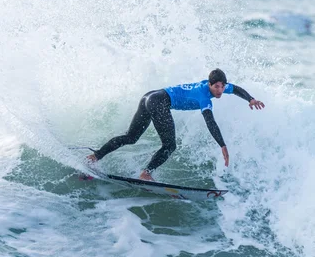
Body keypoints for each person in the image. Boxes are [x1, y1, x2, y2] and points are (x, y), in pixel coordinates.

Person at [87, 68, 265, 181]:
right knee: (170, 145)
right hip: (159, 102)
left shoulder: (220, 87)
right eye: (216, 87)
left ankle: (95, 157)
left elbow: (237, 90)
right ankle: (146, 173)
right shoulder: (204, 96)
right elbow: (210, 122)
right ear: (209, 85)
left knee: (131, 137)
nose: (220, 90)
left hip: (149, 96)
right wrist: (223, 145)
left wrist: (251, 99)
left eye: (222, 87)